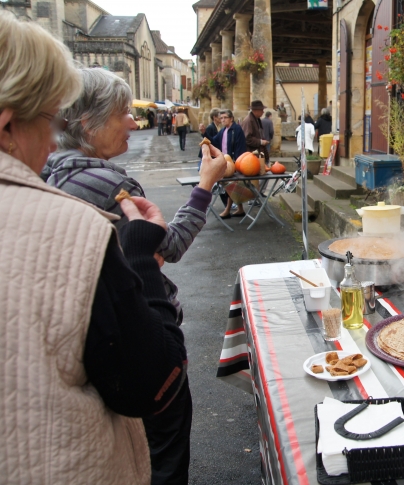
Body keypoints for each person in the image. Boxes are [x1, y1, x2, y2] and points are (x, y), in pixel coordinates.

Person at [0, 11, 193, 483]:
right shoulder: (74, 225)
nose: (51, 143)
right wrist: (143, 261)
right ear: (7, 125)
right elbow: (156, 384)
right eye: (48, 121)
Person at [42, 67, 227, 485]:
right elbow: (167, 248)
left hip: (92, 347)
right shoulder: (110, 186)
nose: (132, 122)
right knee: (164, 458)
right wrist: (205, 185)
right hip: (142, 345)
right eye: (122, 113)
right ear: (88, 124)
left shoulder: (50, 172)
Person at [212, 109, 248, 218]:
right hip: (225, 162)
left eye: (225, 118)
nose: (222, 120)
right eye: (221, 118)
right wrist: (204, 133)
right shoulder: (223, 130)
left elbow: (240, 147)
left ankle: (227, 210)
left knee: (230, 186)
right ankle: (240, 209)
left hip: (233, 163)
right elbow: (214, 141)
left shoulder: (236, 130)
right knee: (232, 186)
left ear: (231, 118)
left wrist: (237, 163)